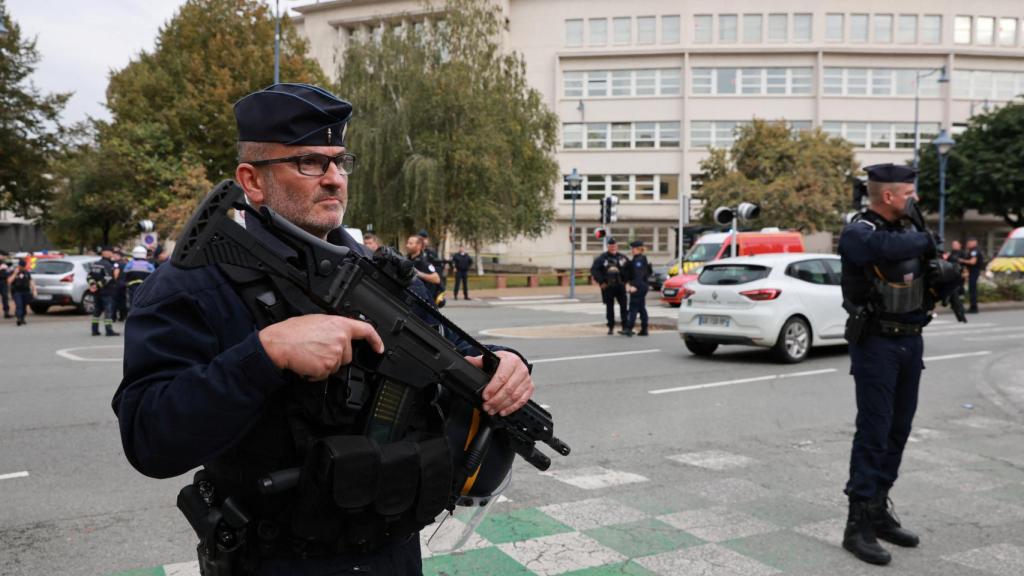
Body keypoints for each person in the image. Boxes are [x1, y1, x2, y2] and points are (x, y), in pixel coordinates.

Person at [112, 83, 534, 576]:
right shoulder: (195, 283)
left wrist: (505, 362)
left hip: (391, 553)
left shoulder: (377, 272)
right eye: (310, 162)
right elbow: (148, 439)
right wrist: (263, 356)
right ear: (252, 180)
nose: (334, 179)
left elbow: (450, 347)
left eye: (340, 161)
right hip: (276, 561)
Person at [838, 163, 934, 566]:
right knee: (874, 432)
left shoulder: (908, 233)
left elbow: (925, 266)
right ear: (890, 196)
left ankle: (878, 510)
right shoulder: (861, 230)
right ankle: (856, 523)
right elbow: (879, 252)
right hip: (876, 343)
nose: (915, 200)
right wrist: (926, 240)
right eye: (909, 193)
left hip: (911, 342)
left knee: (898, 430)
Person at [590, 238, 630, 335]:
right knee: (609, 308)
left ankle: (625, 327)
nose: (613, 248)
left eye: (614, 246)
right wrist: (601, 282)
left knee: (624, 307)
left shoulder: (622, 257)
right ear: (608, 247)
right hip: (607, 286)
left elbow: (629, 269)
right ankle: (611, 327)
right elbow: (594, 270)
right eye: (611, 246)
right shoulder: (602, 258)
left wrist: (627, 281)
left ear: (617, 246)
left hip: (620, 286)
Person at [88, 246, 121, 336]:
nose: (112, 253)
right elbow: (108, 277)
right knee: (108, 311)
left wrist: (92, 285)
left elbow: (89, 276)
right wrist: (98, 285)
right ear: (106, 253)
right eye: (111, 252)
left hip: (97, 292)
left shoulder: (95, 264)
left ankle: (94, 330)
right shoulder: (108, 265)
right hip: (106, 291)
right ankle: (109, 330)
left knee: (97, 311)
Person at [623, 240, 652, 337]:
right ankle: (644, 329)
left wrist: (634, 286)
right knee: (641, 308)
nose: (632, 250)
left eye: (633, 248)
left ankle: (629, 328)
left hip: (639, 286)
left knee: (633, 307)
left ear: (638, 249)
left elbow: (639, 275)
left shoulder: (638, 260)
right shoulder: (640, 258)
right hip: (642, 286)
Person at [406, 233, 442, 302]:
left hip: (423, 300)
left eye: (410, 244)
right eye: (407, 243)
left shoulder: (423, 262)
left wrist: (419, 274)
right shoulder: (407, 259)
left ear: (419, 246)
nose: (407, 245)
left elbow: (437, 279)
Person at [419, 230, 447, 305]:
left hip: (430, 285)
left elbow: (438, 271)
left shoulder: (431, 253)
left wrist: (440, 289)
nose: (423, 241)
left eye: (424, 239)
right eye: (420, 239)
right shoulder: (415, 253)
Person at [959, 237, 985, 313]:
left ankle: (974, 308)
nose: (968, 244)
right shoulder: (971, 251)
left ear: (974, 242)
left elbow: (972, 262)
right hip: (972, 272)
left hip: (974, 271)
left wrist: (962, 260)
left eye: (969, 243)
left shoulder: (975, 251)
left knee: (973, 290)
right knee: (971, 289)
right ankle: (972, 306)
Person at [7, 258, 36, 326]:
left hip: (26, 291)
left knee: (24, 306)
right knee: (19, 305)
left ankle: (22, 318)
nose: (21, 268)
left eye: (23, 266)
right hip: (17, 291)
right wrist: (15, 274)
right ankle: (19, 319)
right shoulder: (13, 271)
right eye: (20, 266)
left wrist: (34, 290)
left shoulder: (27, 272)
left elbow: (31, 281)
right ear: (18, 265)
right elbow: (9, 281)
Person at [0, 253, 11, 319]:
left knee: (5, 297)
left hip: (3, 282)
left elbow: (8, 272)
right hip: (2, 281)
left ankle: (6, 312)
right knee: (5, 297)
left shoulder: (5, 264)